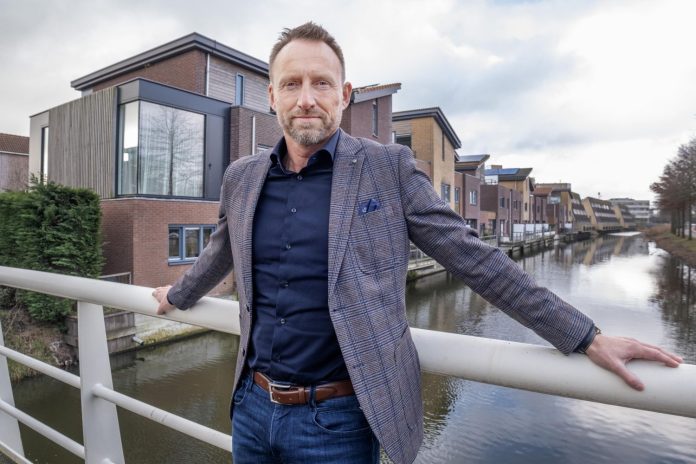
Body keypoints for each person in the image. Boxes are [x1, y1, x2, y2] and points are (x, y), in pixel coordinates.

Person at [152, 21, 682, 464]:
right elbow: (220, 251)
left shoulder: (387, 169)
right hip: (251, 408)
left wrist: (585, 336)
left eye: (321, 83)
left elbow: (474, 259)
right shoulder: (242, 177)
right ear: (272, 96)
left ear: (345, 94)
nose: (306, 99)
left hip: (337, 420)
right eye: (291, 84)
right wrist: (176, 295)